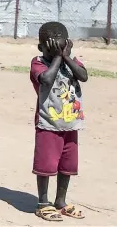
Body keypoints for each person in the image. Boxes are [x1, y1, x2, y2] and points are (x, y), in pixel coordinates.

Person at [29, 21, 89, 221]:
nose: (55, 51)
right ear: (41, 48)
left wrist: (65, 56)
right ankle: (43, 203)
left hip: (71, 123)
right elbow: (46, 80)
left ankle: (60, 202)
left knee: (67, 165)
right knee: (46, 166)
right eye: (50, 48)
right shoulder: (38, 63)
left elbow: (84, 76)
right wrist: (56, 58)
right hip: (48, 124)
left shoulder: (72, 63)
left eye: (60, 46)